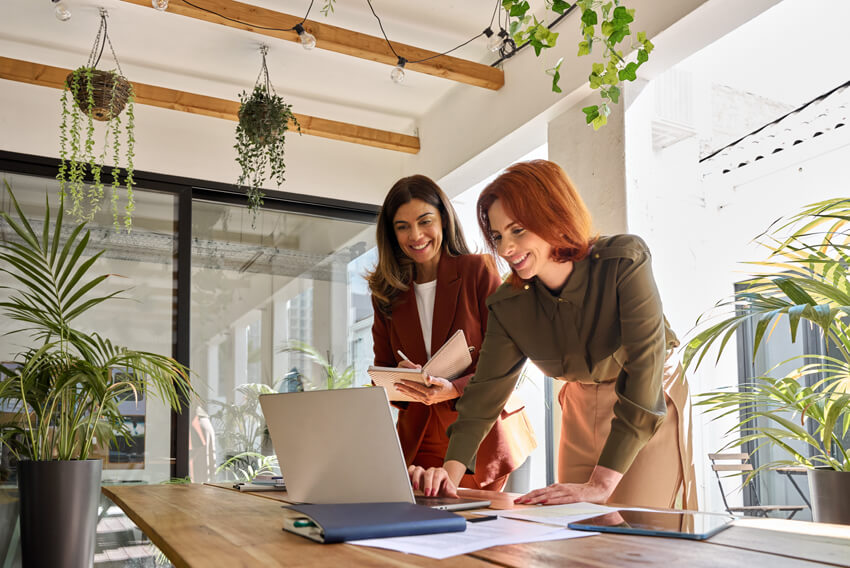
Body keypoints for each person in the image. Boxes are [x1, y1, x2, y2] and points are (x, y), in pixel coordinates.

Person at [408, 160, 697, 508]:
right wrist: (447, 477)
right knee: (576, 532)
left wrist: (601, 483)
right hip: (578, 403)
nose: (505, 249)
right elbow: (484, 396)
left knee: (645, 532)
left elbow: (643, 371)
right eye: (498, 236)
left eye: (517, 230)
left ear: (553, 215)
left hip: (647, 400)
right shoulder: (509, 304)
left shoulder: (623, 262)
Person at [368, 175, 536, 492]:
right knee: (420, 533)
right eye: (402, 226)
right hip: (419, 436)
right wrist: (401, 379)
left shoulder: (478, 270)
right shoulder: (386, 293)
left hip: (480, 430)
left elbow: (505, 362)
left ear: (443, 219)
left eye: (424, 221)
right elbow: (383, 370)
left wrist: (453, 388)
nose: (415, 235)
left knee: (479, 533)